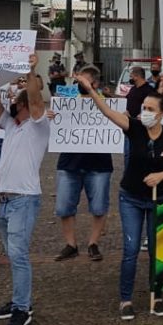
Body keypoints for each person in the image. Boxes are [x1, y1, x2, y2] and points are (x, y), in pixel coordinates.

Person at [87, 88, 163, 320]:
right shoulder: (134, 128)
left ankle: (158, 295)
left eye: (151, 109)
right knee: (131, 250)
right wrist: (91, 90)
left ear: (162, 113)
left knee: (157, 250)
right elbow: (107, 111)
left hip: (159, 198)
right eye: (144, 108)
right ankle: (126, 299)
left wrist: (162, 176)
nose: (145, 112)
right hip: (131, 197)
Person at [0, 54, 49, 325]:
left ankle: (22, 308)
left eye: (14, 99)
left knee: (19, 254)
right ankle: (18, 299)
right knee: (12, 253)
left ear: (21, 105)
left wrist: (32, 69)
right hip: (6, 200)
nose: (9, 101)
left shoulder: (38, 125)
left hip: (24, 199)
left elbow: (35, 99)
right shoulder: (10, 125)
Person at [53, 66, 113, 262]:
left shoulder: (106, 104)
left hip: (99, 164)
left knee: (99, 206)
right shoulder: (69, 102)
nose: (80, 84)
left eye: (84, 81)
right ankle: (71, 244)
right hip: (69, 162)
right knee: (64, 207)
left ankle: (93, 243)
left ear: (94, 83)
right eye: (78, 81)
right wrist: (52, 116)